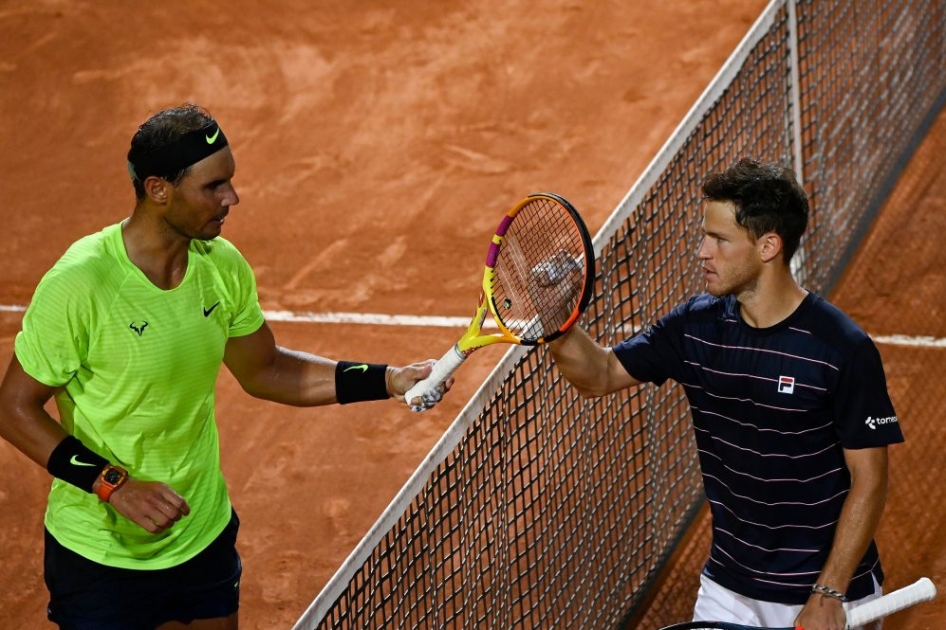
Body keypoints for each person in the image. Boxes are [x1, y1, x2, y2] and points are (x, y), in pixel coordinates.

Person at [0, 103, 448, 630]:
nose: (231, 198)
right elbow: (12, 409)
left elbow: (267, 370)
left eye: (230, 182)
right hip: (102, 555)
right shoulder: (82, 284)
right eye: (214, 186)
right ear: (158, 188)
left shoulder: (221, 267)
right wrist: (113, 485)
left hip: (202, 533)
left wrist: (388, 379)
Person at [543, 158, 903, 630]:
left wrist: (828, 592)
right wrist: (557, 320)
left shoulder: (841, 349)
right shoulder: (695, 326)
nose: (701, 252)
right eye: (705, 236)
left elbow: (870, 480)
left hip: (825, 592)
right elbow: (600, 375)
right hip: (729, 586)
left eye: (719, 239)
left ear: (768, 246)